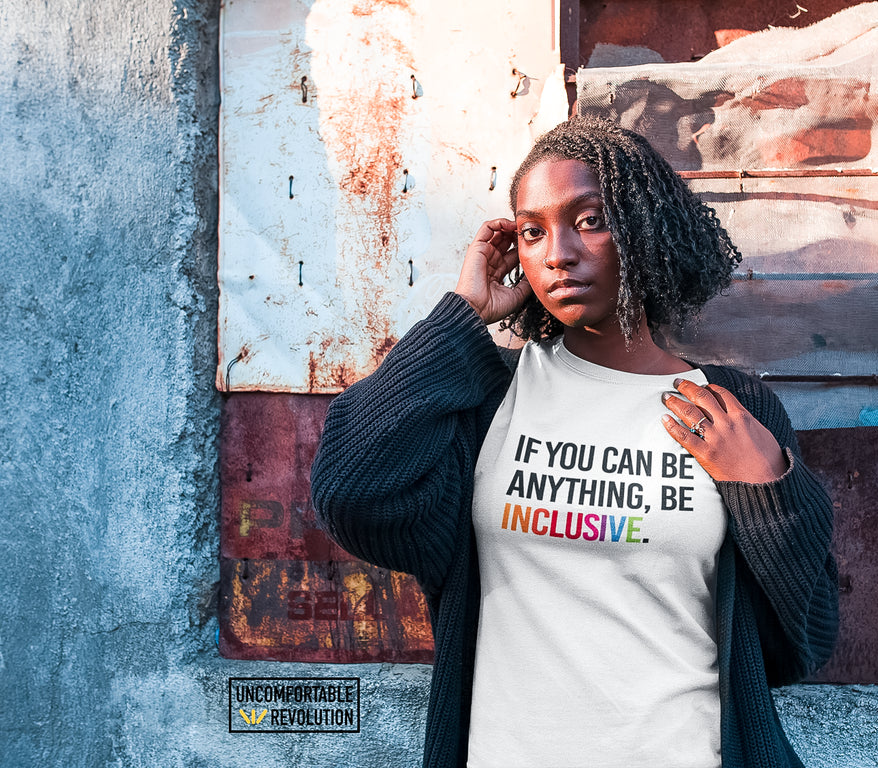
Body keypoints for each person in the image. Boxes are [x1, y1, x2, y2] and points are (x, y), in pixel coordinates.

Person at [311, 115, 838, 768]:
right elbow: (351, 493)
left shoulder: (729, 409)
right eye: (533, 231)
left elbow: (805, 639)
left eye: (589, 220)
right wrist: (461, 318)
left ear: (645, 227)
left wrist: (769, 494)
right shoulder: (490, 400)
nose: (557, 251)